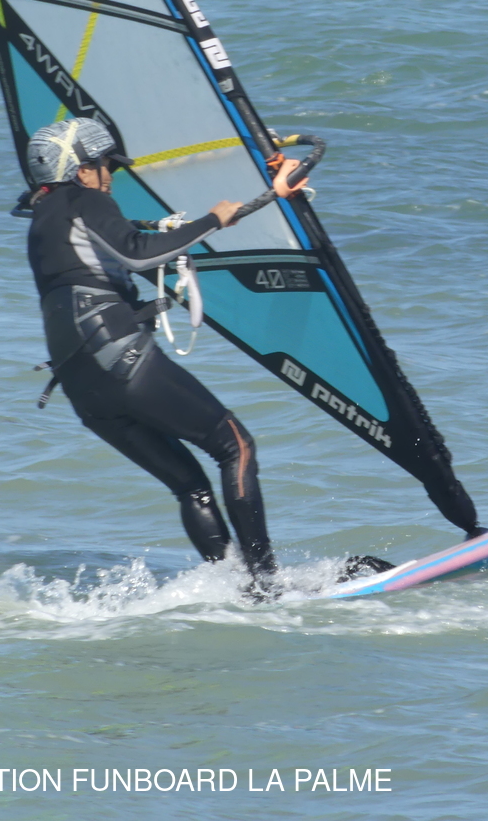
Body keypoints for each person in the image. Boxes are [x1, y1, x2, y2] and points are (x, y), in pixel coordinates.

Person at [20, 117, 306, 592]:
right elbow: (138, 253)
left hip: (83, 388)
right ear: (80, 170)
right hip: (121, 357)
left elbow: (112, 252)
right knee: (236, 446)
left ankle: (232, 589)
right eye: (105, 165)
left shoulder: (42, 218)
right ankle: (266, 583)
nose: (110, 176)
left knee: (190, 486)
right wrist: (213, 220)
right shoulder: (86, 199)